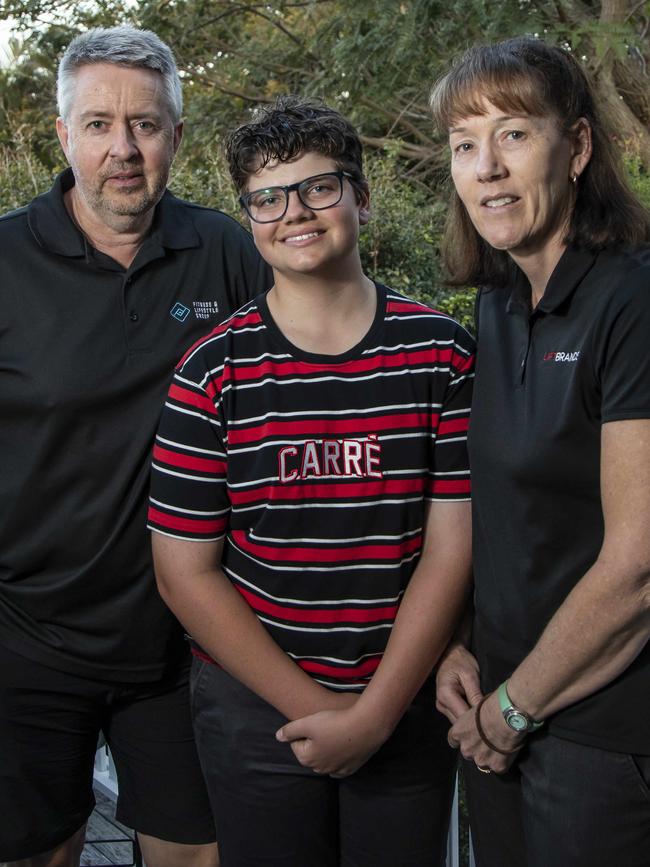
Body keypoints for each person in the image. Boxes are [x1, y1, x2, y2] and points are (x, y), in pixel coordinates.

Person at [147, 95, 475, 867]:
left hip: (405, 697)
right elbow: (183, 571)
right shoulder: (211, 371)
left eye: (318, 187)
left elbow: (451, 549)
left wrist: (377, 713)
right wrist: (325, 712)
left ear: (361, 195)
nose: (294, 211)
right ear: (249, 217)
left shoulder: (442, 352)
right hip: (255, 706)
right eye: (267, 196)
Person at [0, 24, 270, 867]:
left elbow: (299, 386)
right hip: (27, 637)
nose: (123, 148)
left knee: (198, 855)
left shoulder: (224, 249)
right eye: (99, 124)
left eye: (146, 125)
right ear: (64, 134)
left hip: (185, 642)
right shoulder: (4, 258)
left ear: (176, 137)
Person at [429, 37, 650, 867]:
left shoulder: (633, 300)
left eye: (514, 134)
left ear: (581, 146)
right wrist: (458, 645)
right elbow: (507, 514)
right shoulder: (498, 304)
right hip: (495, 704)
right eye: (464, 145)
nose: (486, 167)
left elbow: (638, 568)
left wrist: (515, 711)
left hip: (599, 734)